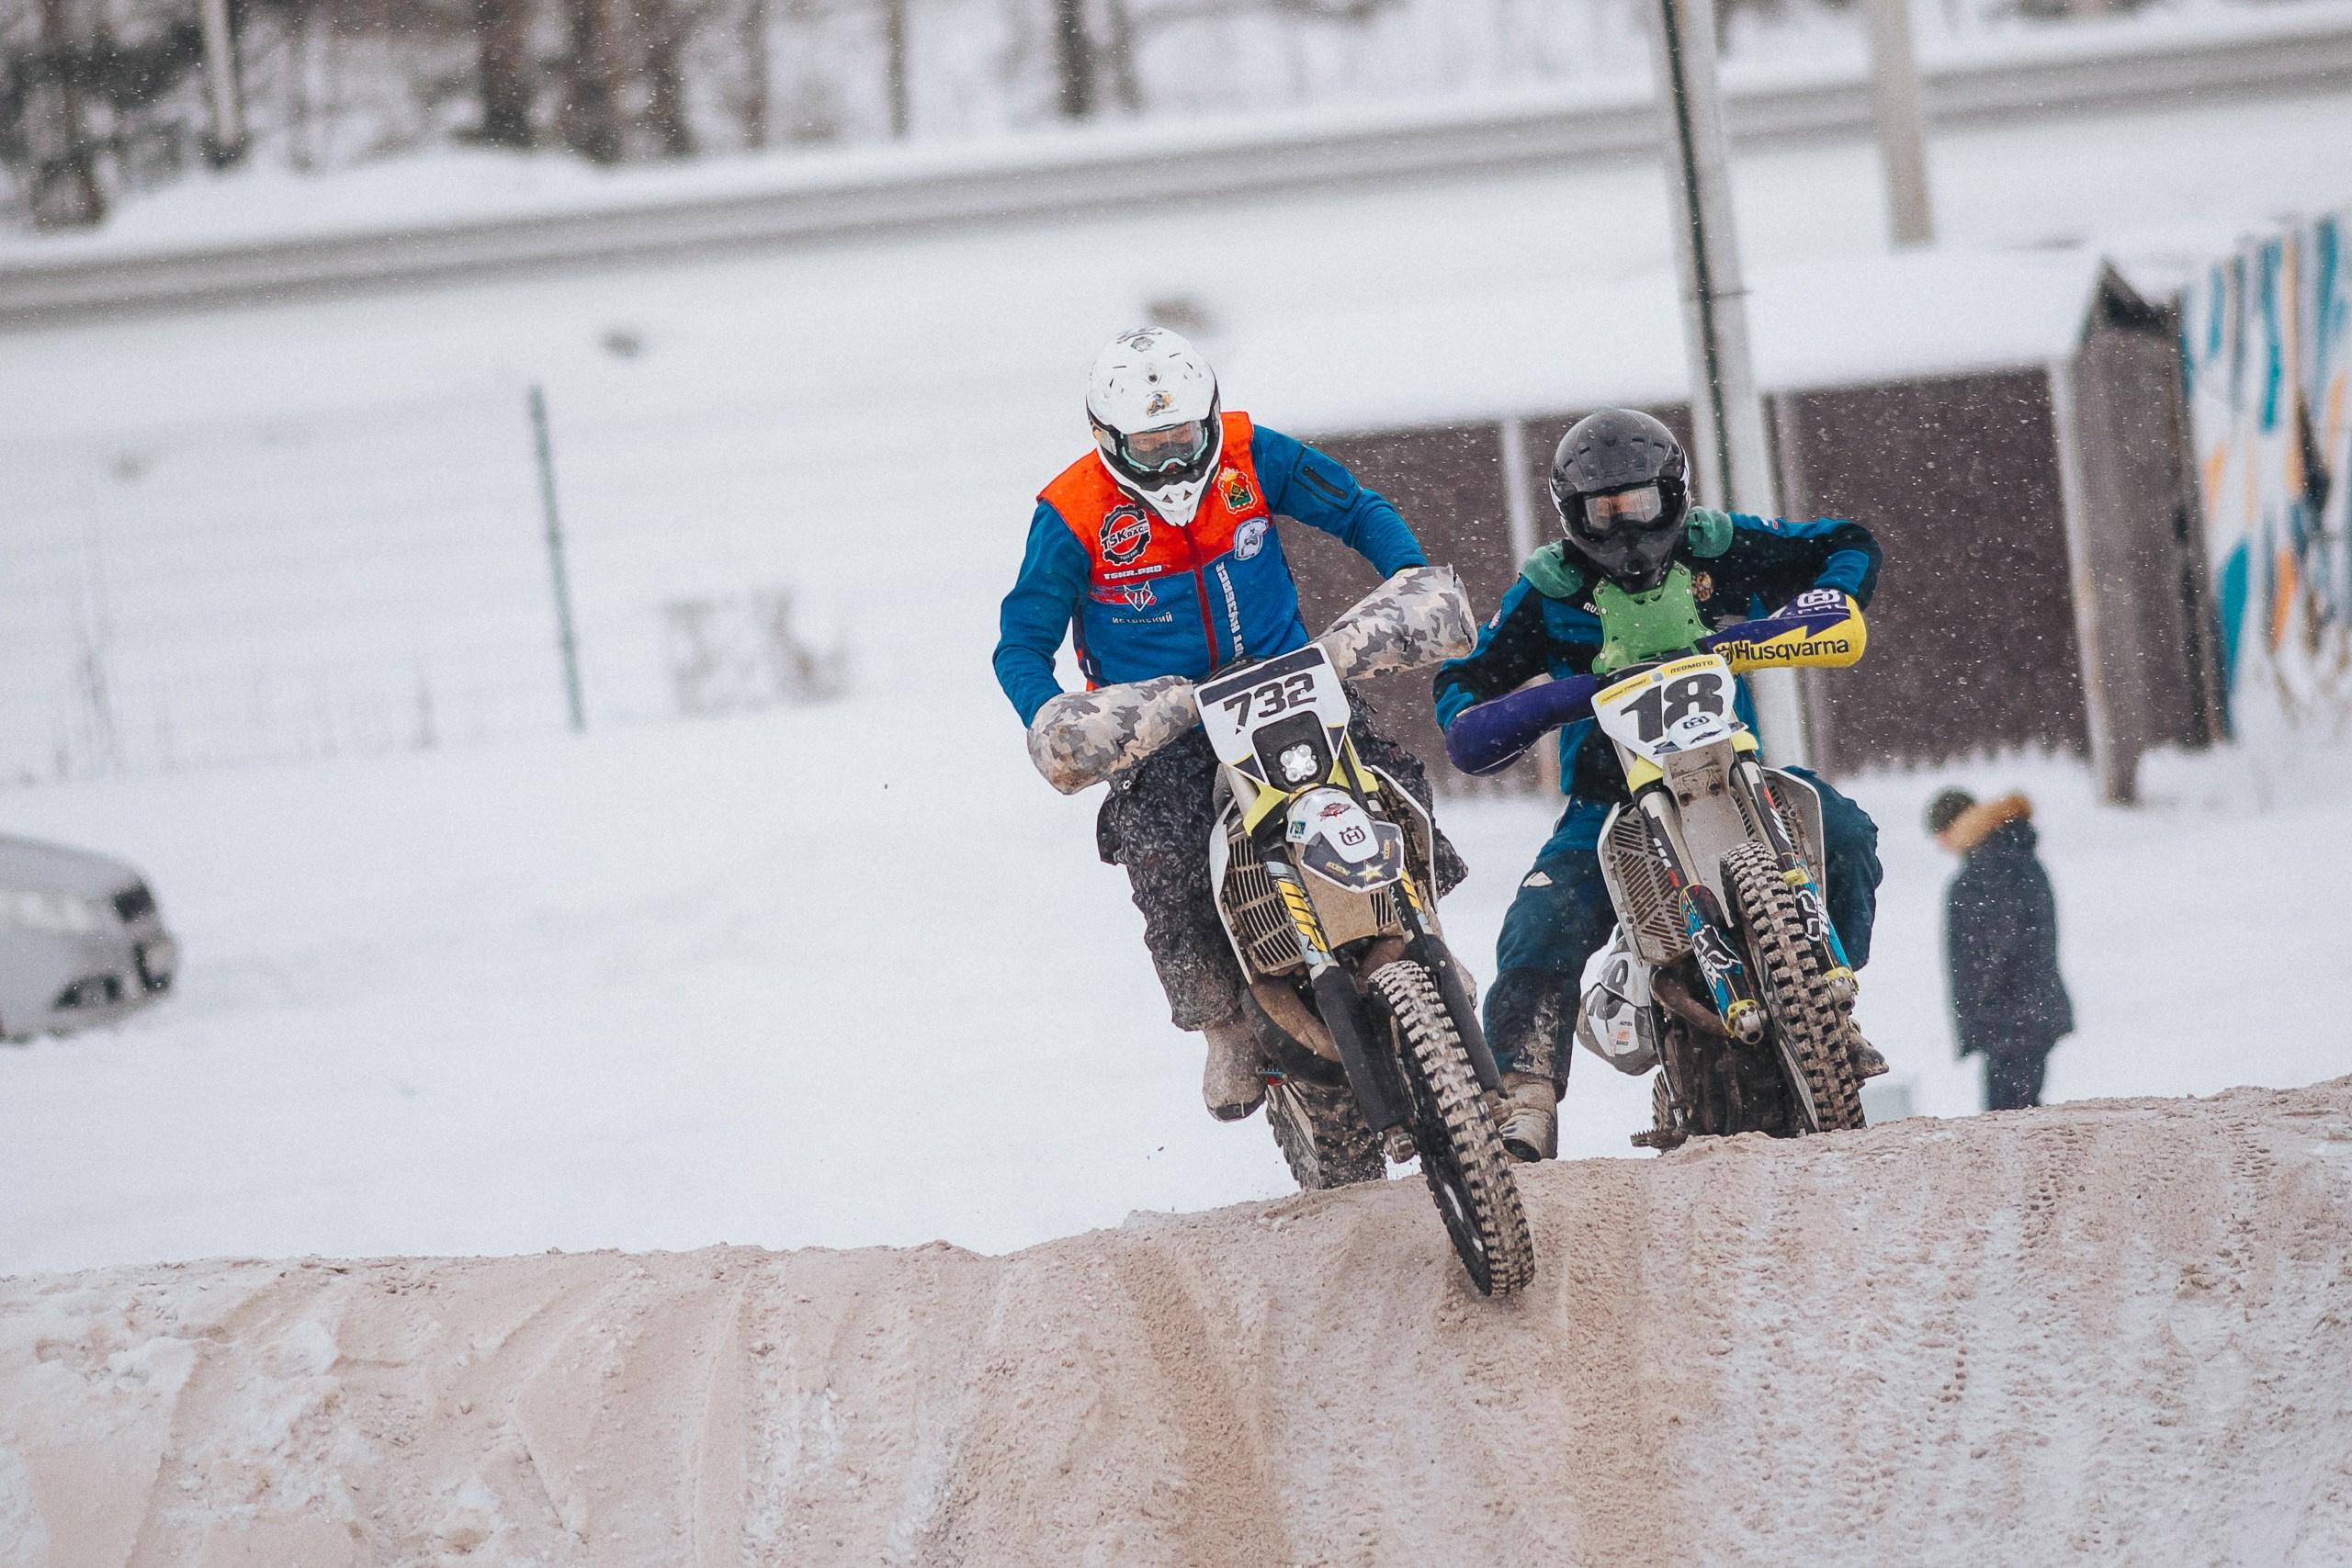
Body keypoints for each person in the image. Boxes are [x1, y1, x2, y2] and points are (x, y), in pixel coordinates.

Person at [994, 326, 1463, 1124]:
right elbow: (1022, 637)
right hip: (1161, 718)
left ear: (1208, 416)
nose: (1175, 458)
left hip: (1288, 677)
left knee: (1392, 775)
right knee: (1163, 854)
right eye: (1152, 443)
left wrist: (1406, 575)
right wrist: (1052, 712)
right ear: (1108, 438)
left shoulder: (1253, 453)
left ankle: (1423, 930)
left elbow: (1356, 508)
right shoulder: (1072, 510)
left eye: (1183, 434)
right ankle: (1223, 1026)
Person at [1432, 409, 1886, 1161]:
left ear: (1671, 494)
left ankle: (1831, 1008)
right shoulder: (1549, 588)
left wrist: (1811, 607)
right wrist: (1528, 704)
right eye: (1602, 513)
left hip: (1732, 773)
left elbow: (1847, 543)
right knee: (1539, 920)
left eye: (1639, 504)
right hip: (1612, 800)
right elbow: (1465, 681)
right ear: (1571, 515)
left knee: (1842, 833)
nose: (1624, 529)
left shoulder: (1720, 545)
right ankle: (1522, 1096)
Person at [1926, 788, 2074, 1111]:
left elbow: (1999, 947)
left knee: (2007, 1120)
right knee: (2018, 1111)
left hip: (2012, 1019)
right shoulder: (2012, 858)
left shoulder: (1986, 872)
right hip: (2027, 1012)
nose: (1940, 845)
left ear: (1956, 827)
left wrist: (1986, 1005)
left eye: (1940, 833)